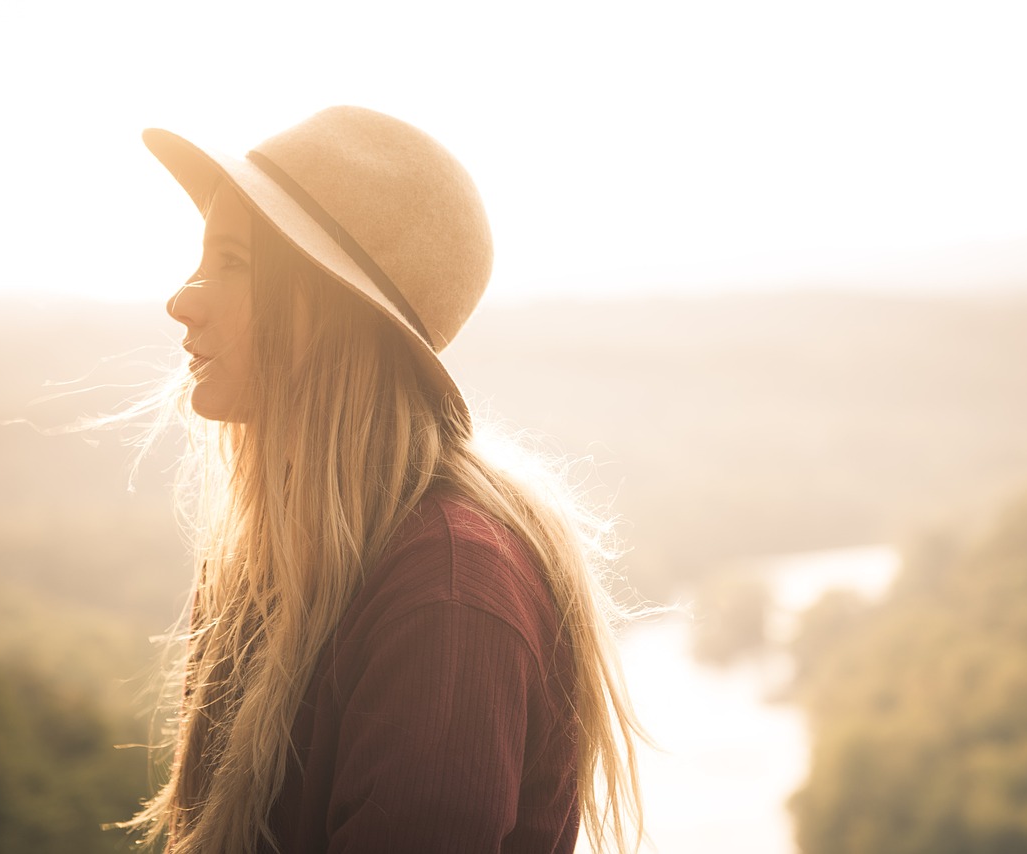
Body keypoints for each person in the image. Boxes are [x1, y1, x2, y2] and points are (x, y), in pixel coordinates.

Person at [121, 107, 646, 854]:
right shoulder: (270, 560)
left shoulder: (448, 591)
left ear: (331, 310)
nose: (183, 299)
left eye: (233, 261)